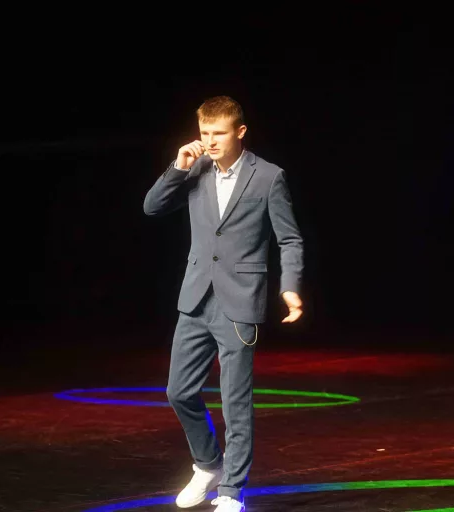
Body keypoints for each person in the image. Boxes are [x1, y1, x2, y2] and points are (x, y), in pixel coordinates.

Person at [143, 95, 304, 512]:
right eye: (204, 134)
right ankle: (208, 464)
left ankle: (232, 490)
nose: (210, 142)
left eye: (218, 133)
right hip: (195, 298)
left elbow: (289, 237)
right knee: (178, 392)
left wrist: (290, 286)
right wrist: (179, 166)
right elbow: (152, 207)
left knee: (235, 402)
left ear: (240, 132)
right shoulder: (194, 170)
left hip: (239, 301)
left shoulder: (269, 177)